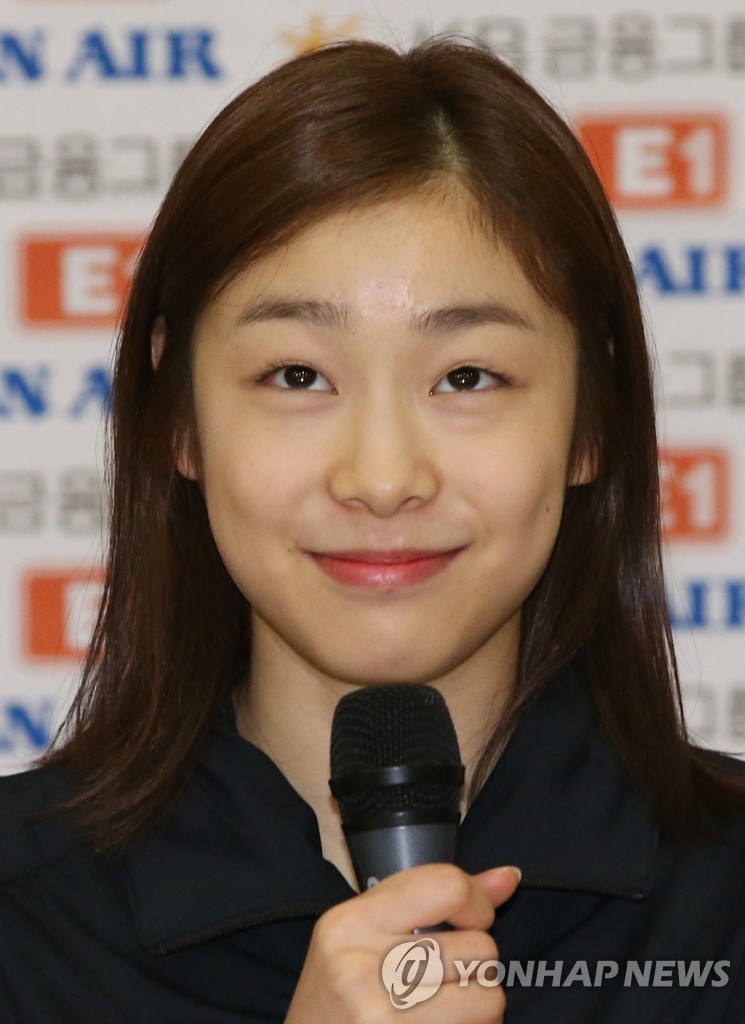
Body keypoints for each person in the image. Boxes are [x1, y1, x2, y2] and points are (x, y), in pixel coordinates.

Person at [1, 34, 744, 1024]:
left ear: (589, 423)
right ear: (179, 417)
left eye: (467, 377)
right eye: (297, 376)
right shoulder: (25, 921)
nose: (384, 479)